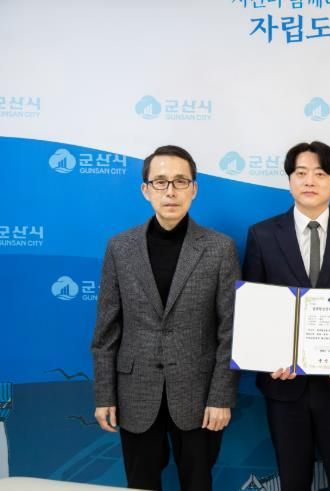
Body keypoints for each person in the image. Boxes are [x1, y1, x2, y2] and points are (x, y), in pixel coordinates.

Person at [91, 145, 240, 491]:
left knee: (198, 482)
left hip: (198, 395)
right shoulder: (120, 247)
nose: (170, 191)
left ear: (194, 189)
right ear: (145, 190)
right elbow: (106, 331)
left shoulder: (220, 248)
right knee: (140, 483)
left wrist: (220, 397)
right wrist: (104, 395)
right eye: (160, 182)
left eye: (180, 181)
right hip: (135, 393)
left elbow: (231, 331)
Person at [242, 141, 330, 490]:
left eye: (320, 173)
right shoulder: (262, 234)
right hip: (284, 384)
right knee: (293, 479)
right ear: (290, 181)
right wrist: (266, 357)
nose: (309, 181)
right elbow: (255, 307)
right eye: (301, 173)